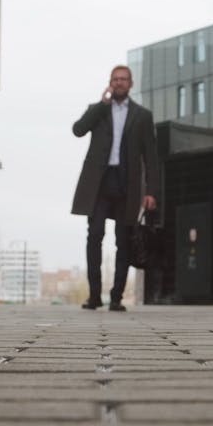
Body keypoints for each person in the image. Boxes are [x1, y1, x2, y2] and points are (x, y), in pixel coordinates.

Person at [71, 65, 158, 311]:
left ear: (131, 84)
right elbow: (78, 130)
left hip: (127, 184)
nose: (119, 83)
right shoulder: (97, 110)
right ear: (110, 83)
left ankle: (117, 297)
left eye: (123, 79)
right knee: (95, 235)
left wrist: (151, 191)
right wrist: (101, 104)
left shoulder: (142, 116)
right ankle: (94, 295)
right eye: (115, 79)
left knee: (124, 240)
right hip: (98, 183)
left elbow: (151, 156)